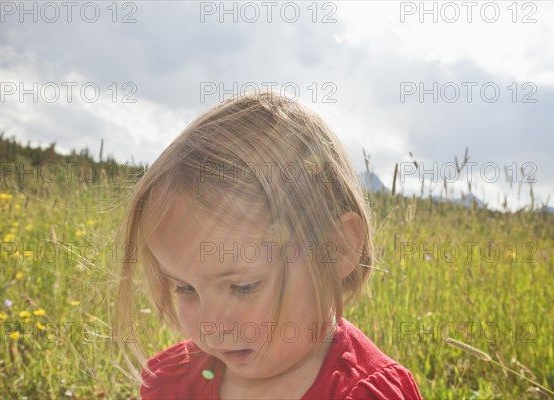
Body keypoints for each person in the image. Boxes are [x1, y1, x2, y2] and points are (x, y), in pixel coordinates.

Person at [115, 89, 423, 399]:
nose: (212, 325)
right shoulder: (174, 383)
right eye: (185, 289)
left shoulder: (363, 393)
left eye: (244, 286)